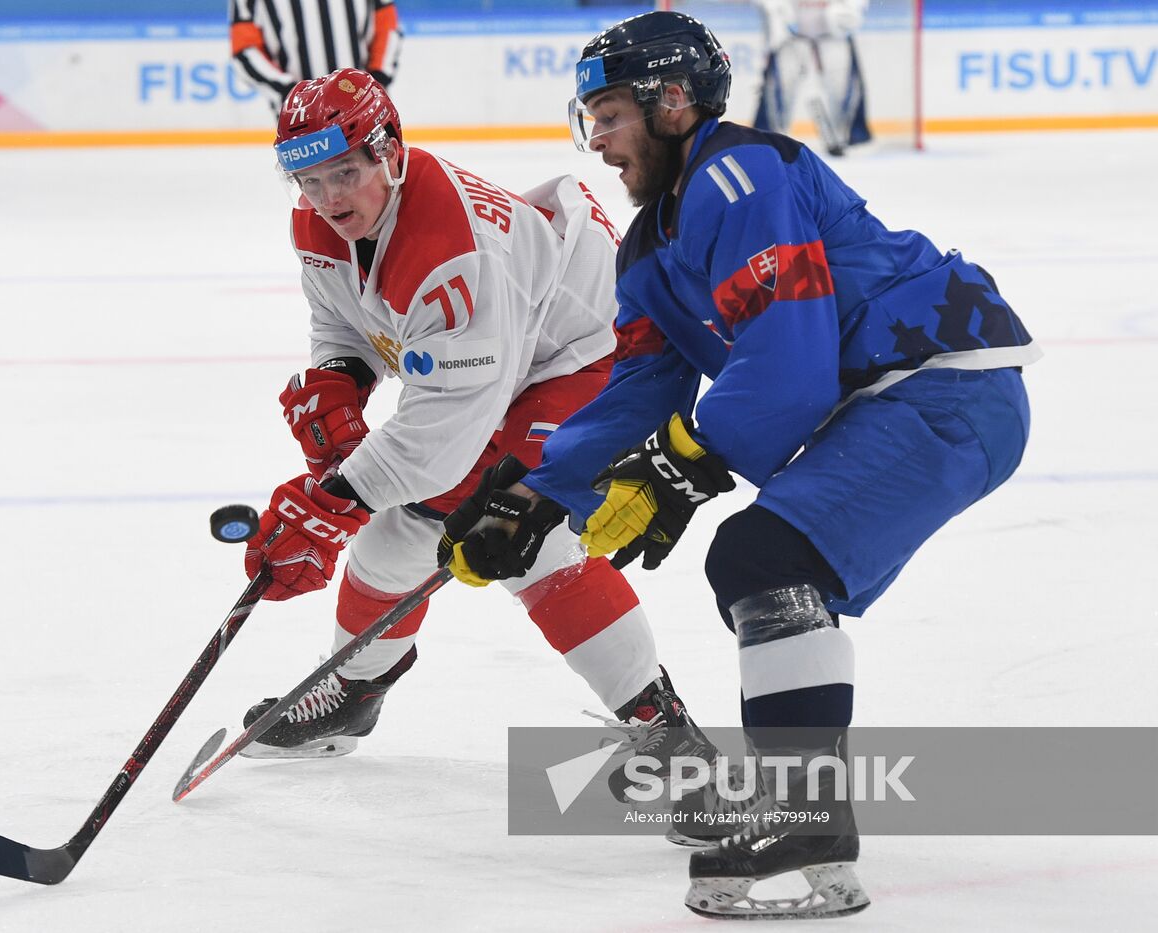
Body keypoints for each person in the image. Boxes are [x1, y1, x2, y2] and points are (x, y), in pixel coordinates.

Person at [441, 10, 1038, 921]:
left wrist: (688, 462)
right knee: (769, 566)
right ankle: (811, 815)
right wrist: (529, 492)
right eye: (590, 118)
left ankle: (806, 811)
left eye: (610, 114)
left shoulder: (739, 172)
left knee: (765, 558)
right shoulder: (650, 250)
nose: (596, 140)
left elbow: (787, 357)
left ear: (673, 101)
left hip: (947, 388)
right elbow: (642, 390)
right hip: (905, 399)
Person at [237, 68, 715, 778]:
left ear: (387, 152)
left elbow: (442, 437)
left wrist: (330, 503)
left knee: (521, 531)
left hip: (589, 361)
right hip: (509, 354)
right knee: (394, 541)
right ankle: (356, 684)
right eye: (309, 179)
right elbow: (340, 318)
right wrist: (341, 378)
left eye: (344, 172)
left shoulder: (451, 249)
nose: (328, 197)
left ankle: (669, 734)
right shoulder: (319, 220)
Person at [231, 0, 403, 115]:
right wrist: (292, 95)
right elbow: (245, 50)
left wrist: (376, 83)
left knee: (378, 168)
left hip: (365, 107)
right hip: (298, 119)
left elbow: (387, 28)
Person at [752, 0, 872, 155]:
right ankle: (773, 141)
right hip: (790, 38)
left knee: (842, 90)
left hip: (833, 37)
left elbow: (856, 5)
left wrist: (848, 12)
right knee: (780, 90)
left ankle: (841, 138)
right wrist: (777, 10)